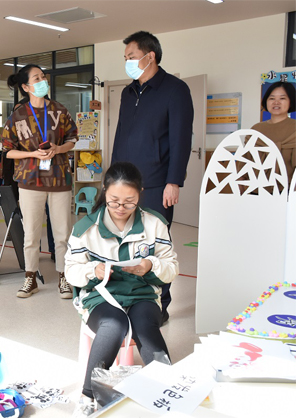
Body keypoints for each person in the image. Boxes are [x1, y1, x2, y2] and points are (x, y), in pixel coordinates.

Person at [65, 162, 178, 416]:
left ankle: (168, 392)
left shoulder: (155, 223)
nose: (120, 209)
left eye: (129, 202)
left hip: (142, 294)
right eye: (114, 201)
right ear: (105, 191)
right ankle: (87, 396)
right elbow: (71, 271)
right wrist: (93, 270)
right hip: (100, 296)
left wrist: (151, 265)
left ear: (140, 194)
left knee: (145, 325)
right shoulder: (86, 228)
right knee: (113, 325)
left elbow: (172, 268)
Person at [111, 31, 193, 322]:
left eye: (131, 57)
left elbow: (181, 139)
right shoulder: (127, 92)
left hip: (158, 183)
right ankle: (132, 300)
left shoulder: (175, 89)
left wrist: (174, 181)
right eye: (126, 58)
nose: (128, 62)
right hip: (125, 184)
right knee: (126, 243)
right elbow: (120, 135)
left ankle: (159, 306)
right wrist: (112, 179)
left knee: (156, 246)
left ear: (150, 56)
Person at [3, 64, 77, 299]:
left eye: (43, 77)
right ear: (26, 87)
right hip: (30, 181)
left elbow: (73, 138)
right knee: (31, 234)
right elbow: (8, 151)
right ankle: (30, 278)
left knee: (63, 233)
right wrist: (33, 154)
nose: (43, 81)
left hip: (59, 179)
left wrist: (58, 148)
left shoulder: (59, 110)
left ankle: (64, 278)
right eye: (37, 78)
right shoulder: (18, 115)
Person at [251, 81, 296, 184]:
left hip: (289, 190)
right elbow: (245, 160)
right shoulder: (256, 129)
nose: (276, 102)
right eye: (272, 98)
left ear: (291, 101)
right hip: (255, 188)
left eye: (282, 98)